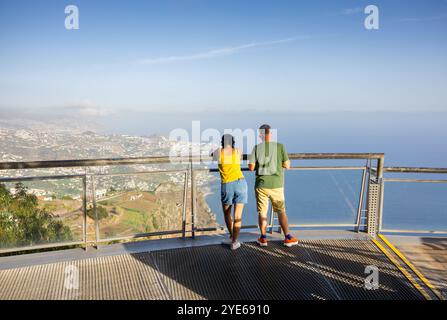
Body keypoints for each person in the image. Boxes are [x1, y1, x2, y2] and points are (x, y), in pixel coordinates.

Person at [248, 124, 298, 247]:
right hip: (276, 185)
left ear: (260, 135)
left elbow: (251, 167)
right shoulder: (280, 147)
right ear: (270, 134)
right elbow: (287, 165)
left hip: (261, 185)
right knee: (281, 211)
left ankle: (263, 238)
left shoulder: (256, 148)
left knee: (262, 212)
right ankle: (287, 237)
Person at [212, 134, 248, 250]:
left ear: (222, 142)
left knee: (227, 213)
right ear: (233, 142)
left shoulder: (218, 152)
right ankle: (234, 241)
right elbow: (240, 155)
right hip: (241, 183)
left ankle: (232, 237)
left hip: (227, 185)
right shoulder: (237, 151)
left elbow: (212, 156)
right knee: (238, 216)